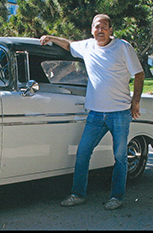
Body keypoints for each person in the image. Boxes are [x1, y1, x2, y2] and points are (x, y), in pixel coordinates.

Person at [39, 14, 145, 210]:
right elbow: (69, 45)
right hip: (95, 113)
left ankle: (117, 197)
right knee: (83, 153)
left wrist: (135, 101)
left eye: (104, 27)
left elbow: (139, 74)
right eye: (97, 27)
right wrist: (51, 38)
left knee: (120, 157)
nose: (100, 31)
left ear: (111, 30)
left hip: (119, 113)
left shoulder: (123, 47)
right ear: (92, 29)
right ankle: (78, 194)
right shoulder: (87, 46)